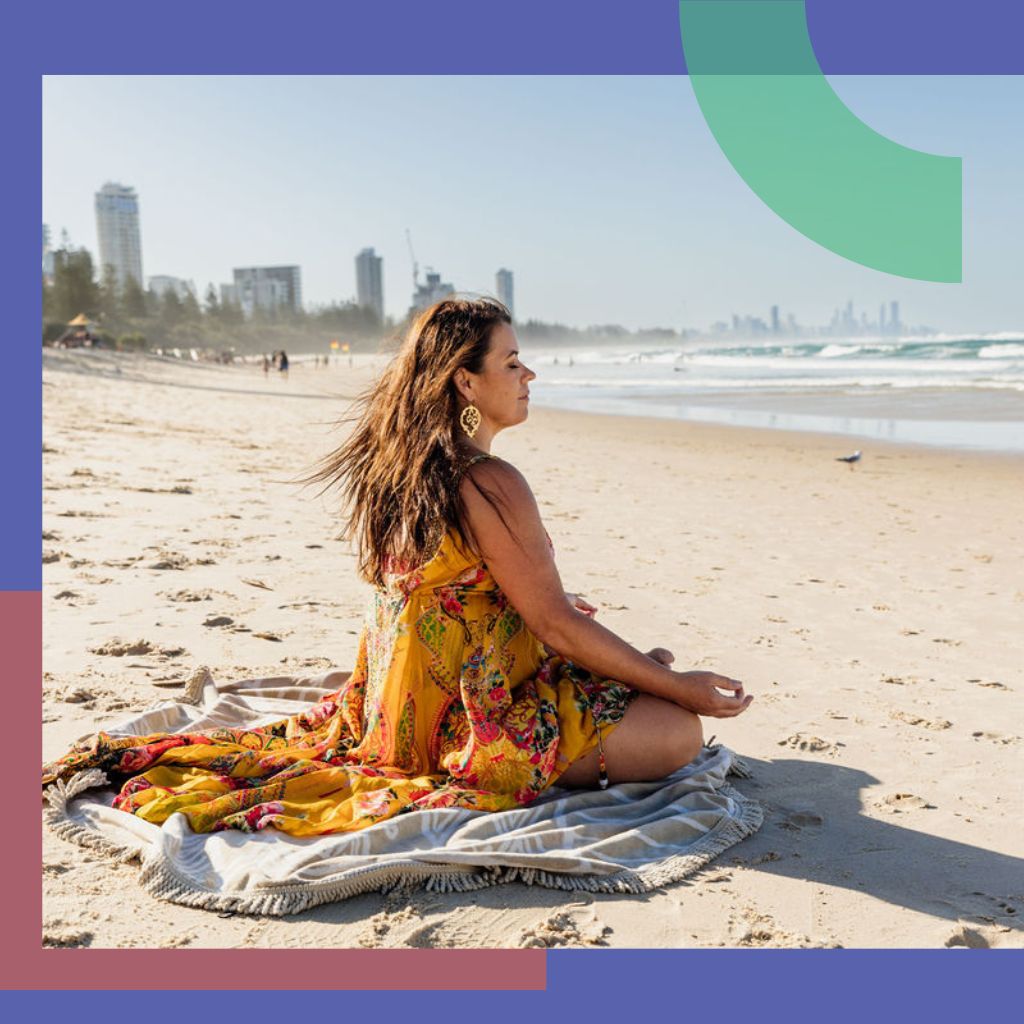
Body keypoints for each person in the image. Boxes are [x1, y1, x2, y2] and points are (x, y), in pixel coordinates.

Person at [41, 297, 751, 837]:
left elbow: (476, 603)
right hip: (460, 722)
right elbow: (555, 624)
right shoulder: (488, 483)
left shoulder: (407, 468)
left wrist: (629, 668)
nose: (529, 373)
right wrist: (677, 687)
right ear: (465, 385)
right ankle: (619, 708)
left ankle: (630, 686)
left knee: (638, 673)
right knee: (678, 732)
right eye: (510, 362)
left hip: (397, 705)